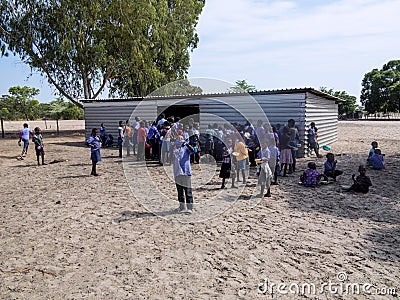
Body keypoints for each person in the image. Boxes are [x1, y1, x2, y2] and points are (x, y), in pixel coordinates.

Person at [173, 135, 194, 214]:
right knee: (180, 191)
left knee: (188, 190)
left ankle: (190, 207)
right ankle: (181, 207)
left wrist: (187, 144)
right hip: (177, 172)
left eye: (181, 139)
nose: (179, 140)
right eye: (177, 139)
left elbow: (193, 150)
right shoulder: (174, 149)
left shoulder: (186, 149)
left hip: (185, 172)